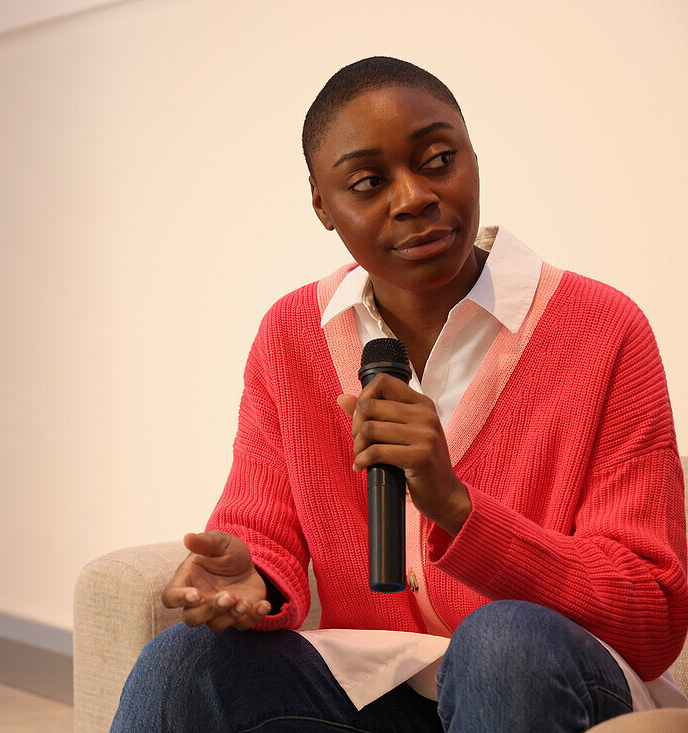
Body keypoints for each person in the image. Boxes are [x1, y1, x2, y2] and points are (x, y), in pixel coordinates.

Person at [110, 57, 687, 732]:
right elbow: (260, 528)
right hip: (378, 693)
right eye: (368, 182)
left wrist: (458, 508)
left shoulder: (602, 327)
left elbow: (651, 617)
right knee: (184, 660)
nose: (413, 196)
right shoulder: (291, 335)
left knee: (501, 641)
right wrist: (254, 581)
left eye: (439, 159)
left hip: (547, 676)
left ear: (474, 157)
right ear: (323, 204)